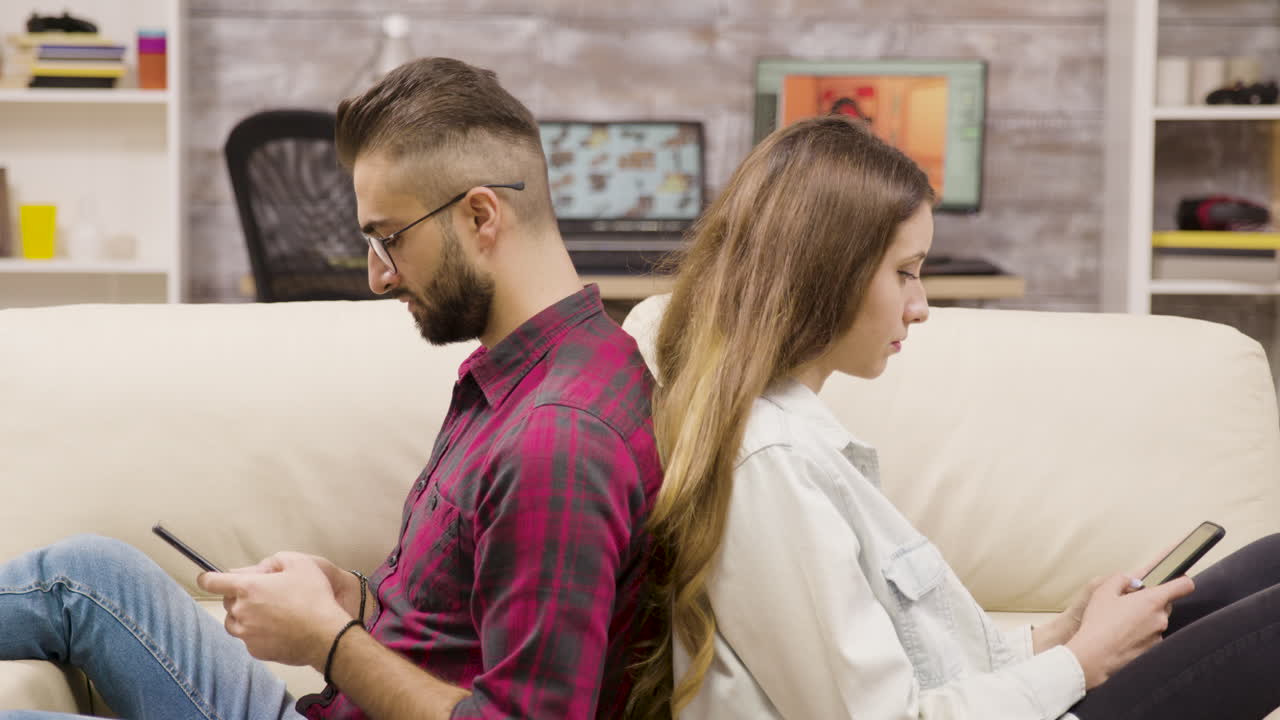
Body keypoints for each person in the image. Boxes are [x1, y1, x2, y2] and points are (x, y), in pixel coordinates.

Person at [0, 57, 663, 720]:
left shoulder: (559, 441)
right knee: (86, 573)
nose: (379, 277)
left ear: (481, 216)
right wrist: (352, 599)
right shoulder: (525, 375)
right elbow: (458, 627)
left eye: (389, 240)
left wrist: (326, 640)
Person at [629, 113, 1280, 719]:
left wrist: (1062, 636)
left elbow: (931, 665)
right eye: (905, 273)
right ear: (826, 275)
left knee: (1268, 562)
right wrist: (1083, 663)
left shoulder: (798, 442)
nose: (920, 307)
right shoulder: (770, 465)